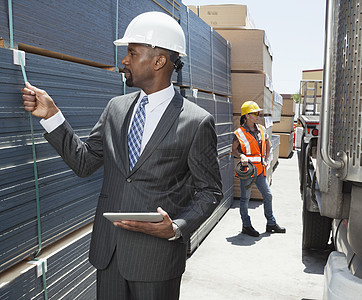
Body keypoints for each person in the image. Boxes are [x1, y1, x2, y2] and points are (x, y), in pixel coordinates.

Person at [22, 11, 222, 300]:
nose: (124, 60)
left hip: (157, 260)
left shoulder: (196, 121)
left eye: (131, 52)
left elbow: (209, 191)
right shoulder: (116, 108)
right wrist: (52, 116)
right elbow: (84, 161)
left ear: (158, 61)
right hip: (110, 254)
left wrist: (177, 227)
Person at [231, 101, 285, 237]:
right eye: (255, 113)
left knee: (268, 195)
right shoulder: (239, 133)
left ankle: (271, 223)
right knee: (245, 199)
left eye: (258, 113)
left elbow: (268, 144)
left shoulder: (261, 129)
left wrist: (266, 159)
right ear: (247, 116)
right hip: (247, 171)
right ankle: (246, 226)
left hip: (260, 171)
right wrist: (241, 155)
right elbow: (233, 151)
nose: (258, 116)